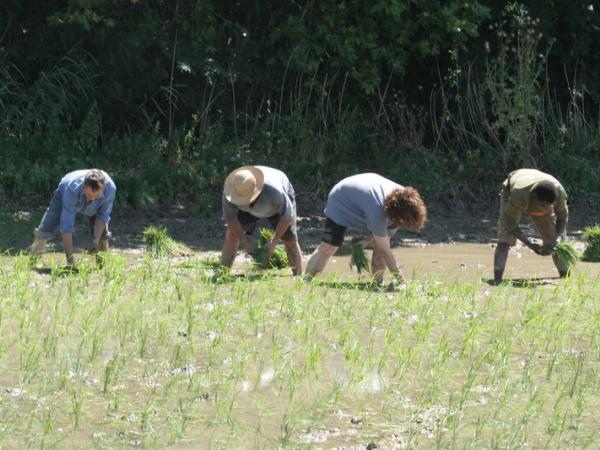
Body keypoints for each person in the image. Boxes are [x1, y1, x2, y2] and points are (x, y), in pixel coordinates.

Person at [304, 173, 427, 283]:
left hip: (365, 196)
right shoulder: (377, 212)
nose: (400, 226)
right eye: (400, 223)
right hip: (341, 199)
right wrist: (402, 282)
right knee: (329, 246)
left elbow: (383, 241)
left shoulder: (406, 198)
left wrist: (366, 242)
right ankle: (306, 281)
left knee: (381, 245)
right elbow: (386, 251)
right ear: (394, 216)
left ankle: (378, 282)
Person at [220, 165, 303, 275]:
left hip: (275, 206)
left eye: (245, 198)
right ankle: (222, 274)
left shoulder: (275, 193)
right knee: (232, 235)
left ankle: (300, 278)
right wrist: (244, 241)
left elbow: (287, 217)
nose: (243, 200)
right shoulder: (231, 192)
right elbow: (231, 218)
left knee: (290, 239)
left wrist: (273, 242)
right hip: (248, 209)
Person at [494, 168, 569, 283]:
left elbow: (563, 217)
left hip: (536, 185)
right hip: (512, 190)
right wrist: (529, 243)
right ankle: (497, 281)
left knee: (554, 242)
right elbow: (509, 222)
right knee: (505, 238)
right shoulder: (519, 194)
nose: (547, 209)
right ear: (534, 196)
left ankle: (565, 278)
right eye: (544, 205)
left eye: (550, 205)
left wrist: (557, 238)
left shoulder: (559, 193)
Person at [29, 169, 117, 266]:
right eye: (89, 195)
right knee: (44, 230)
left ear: (103, 189)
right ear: (83, 186)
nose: (91, 199)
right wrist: (71, 263)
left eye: (96, 196)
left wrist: (95, 242)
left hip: (97, 200)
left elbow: (102, 217)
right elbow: (66, 228)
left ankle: (102, 267)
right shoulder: (71, 190)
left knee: (103, 235)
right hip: (64, 192)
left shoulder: (110, 190)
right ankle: (31, 264)